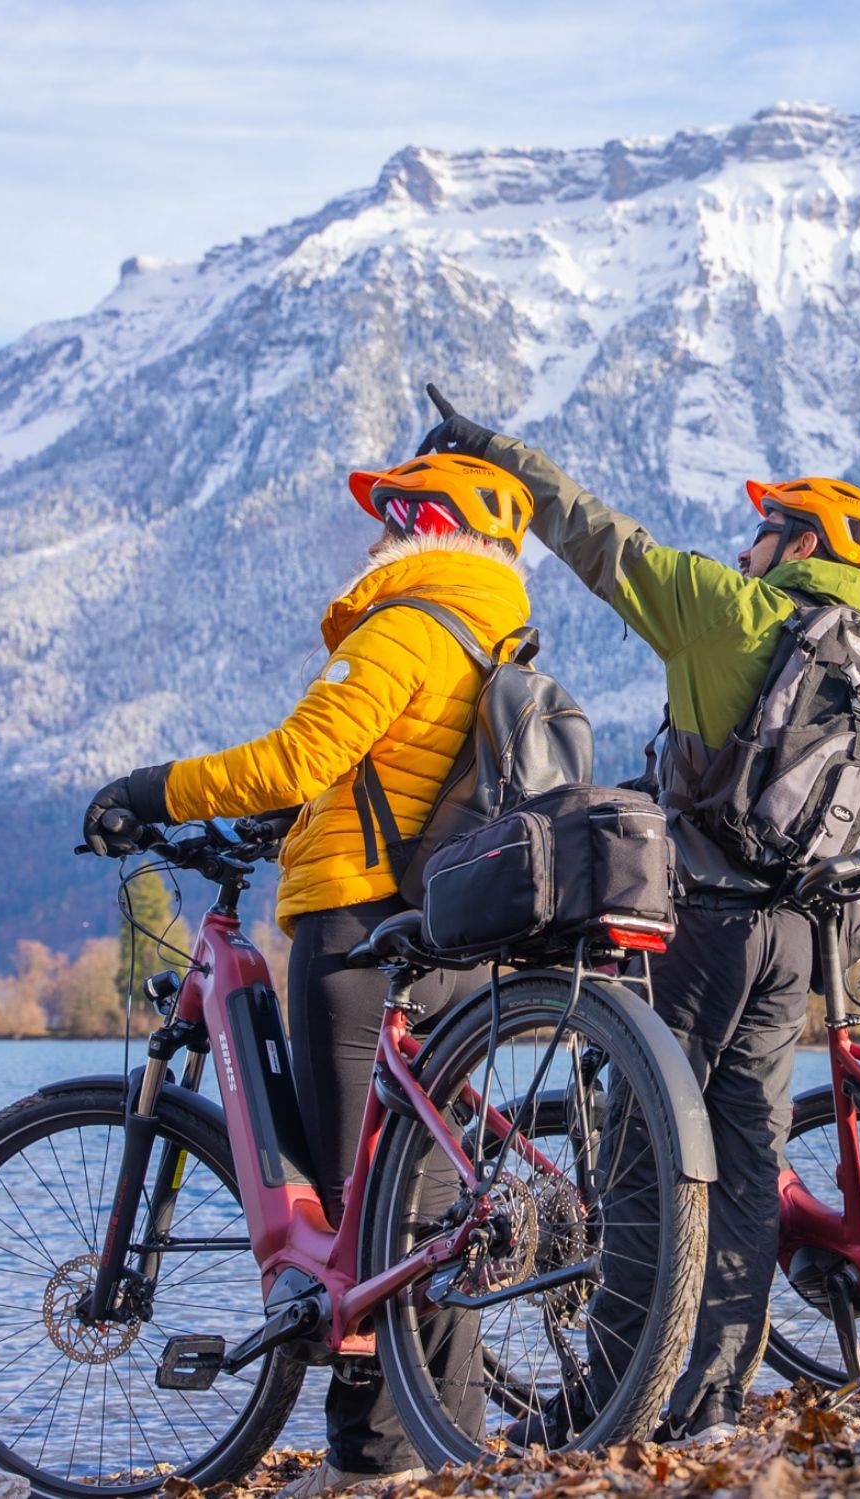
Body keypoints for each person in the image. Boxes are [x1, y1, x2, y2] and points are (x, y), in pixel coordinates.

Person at [416, 396, 860, 1445]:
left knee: (642, 1153)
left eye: (762, 529)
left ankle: (606, 1395)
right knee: (742, 1160)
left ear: (797, 544)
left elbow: (592, 532)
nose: (743, 543)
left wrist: (487, 449)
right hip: (797, 941)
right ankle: (715, 1396)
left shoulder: (731, 607)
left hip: (701, 924)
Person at [80, 453, 538, 1497]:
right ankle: (430, 1443)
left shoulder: (408, 622)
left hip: (362, 930)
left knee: (363, 1213)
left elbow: (296, 755)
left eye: (386, 515)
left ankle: (378, 1457)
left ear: (426, 521)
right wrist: (291, 822)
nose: (371, 535)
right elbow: (388, 767)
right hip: (440, 932)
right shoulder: (483, 629)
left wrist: (149, 789)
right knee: (414, 1211)